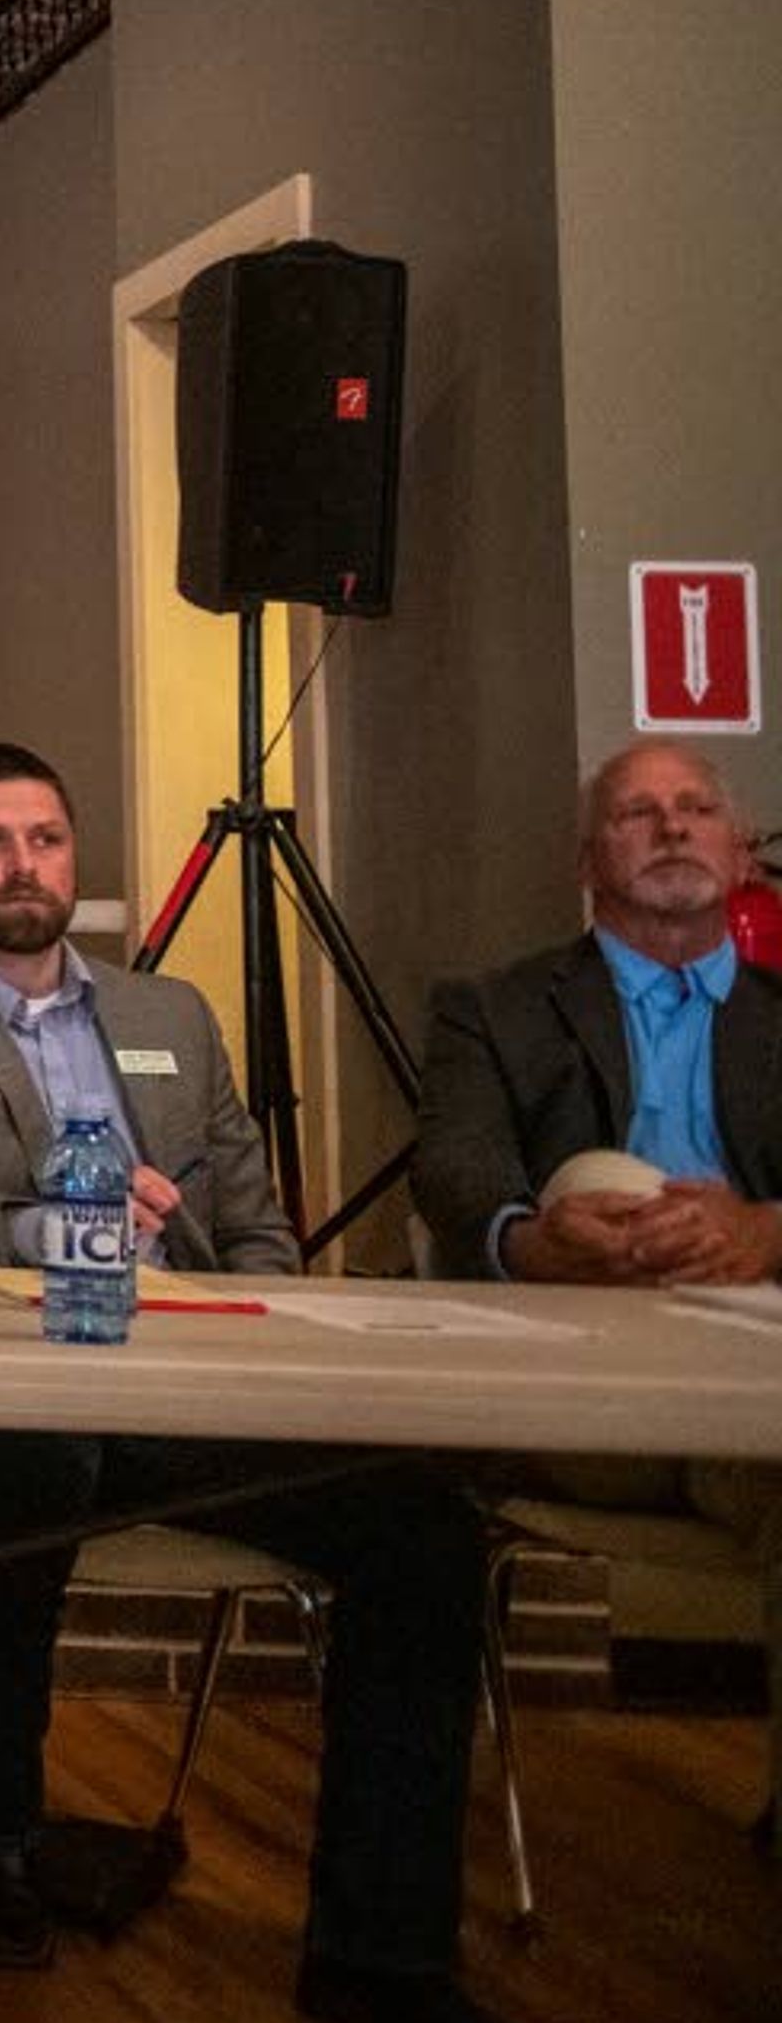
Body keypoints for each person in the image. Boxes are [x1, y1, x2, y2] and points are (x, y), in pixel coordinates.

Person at [0, 741, 539, 2023]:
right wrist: (56, 1225)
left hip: (186, 1387)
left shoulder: (172, 1018)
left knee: (424, 1534)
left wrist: (250, 1349)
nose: (21, 866)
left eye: (43, 838)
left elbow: (256, 1228)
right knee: (13, 1472)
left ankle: (379, 1957)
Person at [411, 737, 782, 1843]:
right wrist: (531, 1240)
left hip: (749, 1389)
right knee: (600, 1180)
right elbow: (456, 1171)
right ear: (587, 859)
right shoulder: (495, 1008)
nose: (672, 827)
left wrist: (762, 1229)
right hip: (581, 1386)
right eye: (638, 813)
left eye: (695, 808)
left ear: (741, 847)